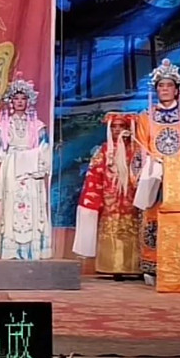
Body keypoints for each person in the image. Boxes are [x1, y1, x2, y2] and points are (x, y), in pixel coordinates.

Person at [134, 58, 180, 284]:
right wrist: (152, 163)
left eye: (169, 85)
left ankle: (177, 263)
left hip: (178, 174)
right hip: (154, 172)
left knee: (178, 219)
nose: (164, 90)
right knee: (152, 218)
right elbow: (142, 146)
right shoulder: (145, 116)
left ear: (176, 89)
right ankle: (151, 265)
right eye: (161, 86)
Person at [0, 75, 52, 260]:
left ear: (28, 101)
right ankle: (10, 248)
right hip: (11, 165)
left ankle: (31, 249)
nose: (19, 102)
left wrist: (39, 162)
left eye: (23, 98)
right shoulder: (4, 124)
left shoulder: (38, 125)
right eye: (16, 98)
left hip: (30, 165)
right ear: (11, 101)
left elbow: (44, 147)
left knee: (31, 201)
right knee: (11, 201)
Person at [73, 113, 141, 278]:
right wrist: (93, 199)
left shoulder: (136, 149)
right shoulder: (104, 150)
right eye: (114, 127)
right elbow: (94, 175)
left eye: (121, 126)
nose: (117, 130)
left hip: (131, 199)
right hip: (109, 200)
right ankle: (110, 267)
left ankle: (132, 266)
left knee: (131, 228)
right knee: (110, 229)